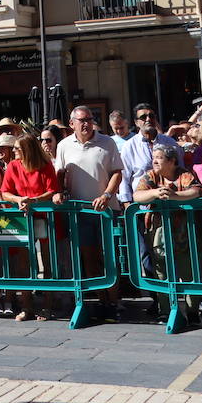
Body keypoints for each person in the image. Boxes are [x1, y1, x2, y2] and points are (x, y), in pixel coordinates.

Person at [54, 106, 124, 323]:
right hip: (80, 212)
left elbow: (117, 173)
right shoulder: (64, 145)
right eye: (81, 120)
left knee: (110, 258)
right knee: (89, 258)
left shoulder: (107, 142)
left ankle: (115, 302)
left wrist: (106, 194)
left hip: (106, 210)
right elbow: (60, 174)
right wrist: (59, 192)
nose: (86, 124)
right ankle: (102, 301)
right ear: (72, 123)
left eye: (89, 119)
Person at [133, 144, 202, 324]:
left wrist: (174, 196)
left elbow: (195, 190)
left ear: (172, 161)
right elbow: (137, 195)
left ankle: (192, 311)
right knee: (161, 271)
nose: (154, 161)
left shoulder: (184, 175)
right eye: (153, 157)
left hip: (184, 234)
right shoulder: (151, 176)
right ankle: (165, 310)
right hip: (158, 232)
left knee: (188, 272)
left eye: (159, 157)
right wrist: (155, 192)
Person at [1, 134, 61, 321]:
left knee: (47, 260)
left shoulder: (45, 165)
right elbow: (5, 192)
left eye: (18, 148)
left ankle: (47, 306)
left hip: (45, 217)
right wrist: (19, 199)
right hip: (23, 218)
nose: (14, 151)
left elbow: (52, 190)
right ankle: (27, 307)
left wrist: (34, 200)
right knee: (23, 263)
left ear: (28, 149)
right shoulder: (12, 166)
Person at [118, 105, 177, 205]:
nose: (148, 119)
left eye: (151, 116)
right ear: (136, 122)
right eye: (143, 117)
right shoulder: (129, 146)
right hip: (141, 206)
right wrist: (127, 205)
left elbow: (180, 170)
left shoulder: (169, 142)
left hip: (171, 204)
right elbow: (124, 178)